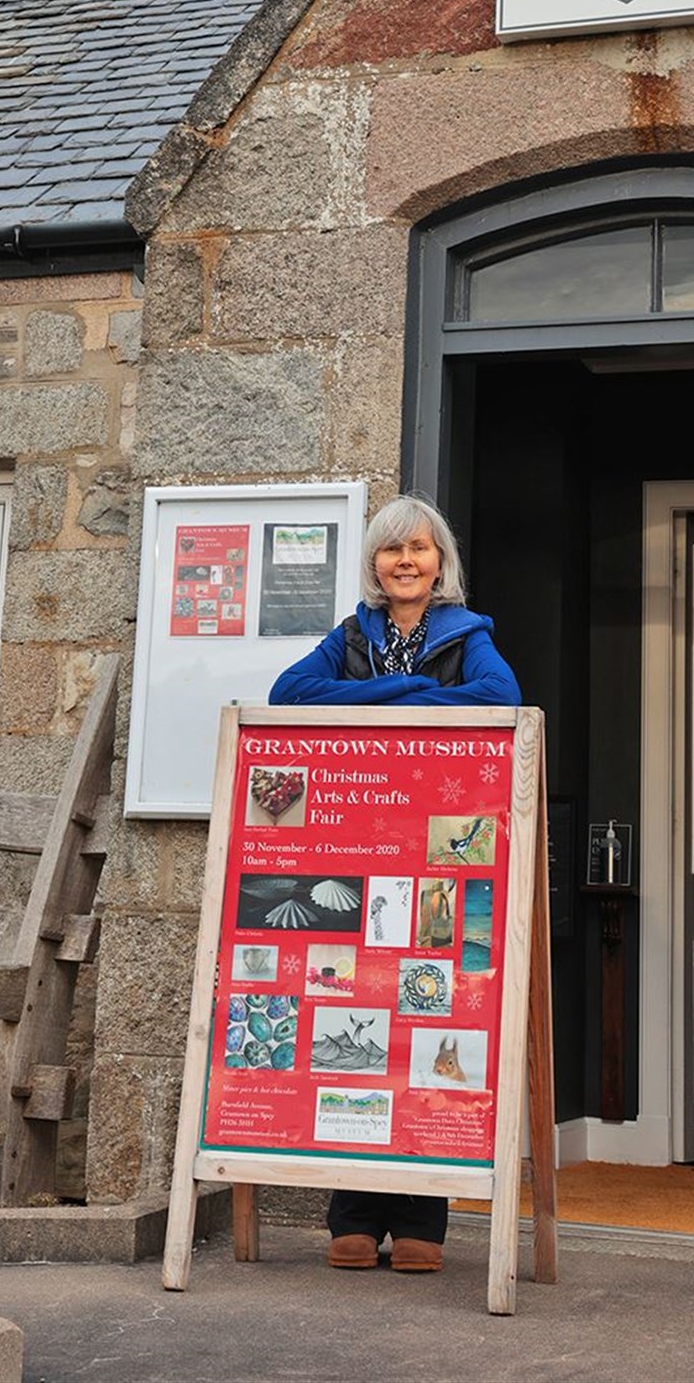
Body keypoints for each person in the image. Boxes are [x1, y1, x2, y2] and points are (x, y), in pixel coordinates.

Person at [268, 493, 520, 1273]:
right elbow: (290, 694)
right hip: (358, 847)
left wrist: (397, 697)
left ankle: (422, 1221)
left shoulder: (467, 636)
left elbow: (498, 698)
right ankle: (352, 1215)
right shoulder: (350, 637)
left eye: (419, 548)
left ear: (440, 562)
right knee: (357, 1022)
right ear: (374, 565)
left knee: (426, 1022)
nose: (405, 561)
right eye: (390, 550)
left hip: (438, 855)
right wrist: (405, 694)